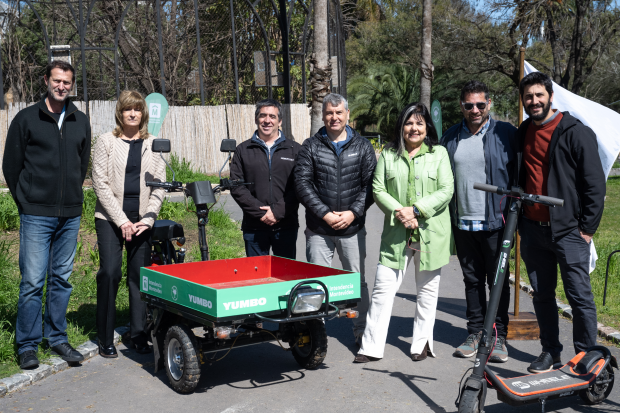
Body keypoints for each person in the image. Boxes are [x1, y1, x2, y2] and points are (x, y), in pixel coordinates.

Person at [2, 61, 91, 369]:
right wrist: (26, 202)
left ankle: (57, 338)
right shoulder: (27, 118)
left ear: (72, 84)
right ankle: (27, 344)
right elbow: (11, 166)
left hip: (70, 214)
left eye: (67, 82)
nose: (61, 86)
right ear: (46, 81)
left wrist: (70, 196)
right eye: (56, 80)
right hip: (36, 214)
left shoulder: (80, 119)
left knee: (61, 279)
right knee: (32, 281)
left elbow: (82, 164)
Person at [516, 72, 605, 373]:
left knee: (579, 297)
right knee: (542, 295)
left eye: (539, 95)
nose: (534, 101)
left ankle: (585, 358)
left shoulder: (575, 132)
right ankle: (550, 352)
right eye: (529, 97)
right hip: (533, 230)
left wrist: (587, 229)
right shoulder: (524, 130)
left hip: (569, 232)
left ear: (550, 96)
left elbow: (594, 185)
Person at [354, 102, 453, 363]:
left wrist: (417, 211)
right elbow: (378, 189)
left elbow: (446, 190)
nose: (414, 128)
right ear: (401, 126)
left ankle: (421, 344)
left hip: (431, 232)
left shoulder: (439, 153)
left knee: (428, 291)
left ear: (427, 127)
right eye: (409, 123)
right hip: (397, 232)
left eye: (420, 123)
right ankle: (371, 346)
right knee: (383, 288)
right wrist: (402, 212)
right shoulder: (388, 154)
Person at [440, 81, 517, 363]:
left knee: (498, 282)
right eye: (469, 105)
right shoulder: (449, 137)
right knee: (471, 281)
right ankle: (474, 333)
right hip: (463, 223)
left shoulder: (506, 133)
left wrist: (513, 213)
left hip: (496, 223)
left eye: (480, 105)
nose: (475, 110)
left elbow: (518, 173)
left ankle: (497, 338)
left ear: (489, 104)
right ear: (461, 106)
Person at [295, 93, 376, 344]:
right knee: (316, 284)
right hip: (319, 229)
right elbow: (302, 183)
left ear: (347, 114)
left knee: (357, 282)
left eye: (339, 112)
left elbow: (372, 185)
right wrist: (325, 214)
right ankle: (315, 335)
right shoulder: (310, 146)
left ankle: (362, 333)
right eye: (329, 113)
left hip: (352, 229)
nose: (334, 117)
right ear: (323, 115)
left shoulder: (363, 146)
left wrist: (353, 213)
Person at [92, 90, 166, 358]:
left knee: (139, 278)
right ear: (120, 113)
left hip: (142, 221)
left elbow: (159, 185)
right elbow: (99, 183)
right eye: (127, 109)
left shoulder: (153, 143)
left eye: (137, 109)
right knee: (110, 274)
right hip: (111, 219)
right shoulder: (105, 142)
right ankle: (105, 338)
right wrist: (122, 220)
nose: (132, 114)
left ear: (143, 113)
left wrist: (148, 218)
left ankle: (138, 335)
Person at [230, 99, 301, 259]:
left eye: (272, 116)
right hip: (254, 227)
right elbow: (236, 186)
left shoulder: (294, 149)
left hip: (285, 225)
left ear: (279, 121)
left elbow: (299, 187)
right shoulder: (243, 150)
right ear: (256, 119)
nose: (267, 120)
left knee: (286, 276)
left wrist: (277, 212)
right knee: (256, 277)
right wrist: (260, 213)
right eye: (263, 116)